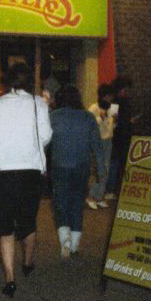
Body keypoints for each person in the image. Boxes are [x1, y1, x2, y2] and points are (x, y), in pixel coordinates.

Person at [0, 63, 52, 298]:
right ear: (30, 81)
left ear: (7, 81)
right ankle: (28, 262)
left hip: (1, 174)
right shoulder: (38, 103)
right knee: (28, 221)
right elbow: (46, 136)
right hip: (29, 173)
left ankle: (10, 278)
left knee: (4, 228)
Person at [49, 85, 106, 260]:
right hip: (82, 166)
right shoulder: (88, 117)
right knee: (76, 203)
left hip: (59, 165)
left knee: (60, 203)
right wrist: (101, 169)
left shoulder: (53, 117)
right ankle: (74, 245)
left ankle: (64, 238)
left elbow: (44, 142)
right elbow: (97, 145)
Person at [105, 76, 138, 200]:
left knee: (118, 164)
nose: (127, 93)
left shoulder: (121, 103)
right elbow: (113, 123)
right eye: (125, 90)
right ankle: (111, 190)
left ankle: (115, 189)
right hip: (117, 137)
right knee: (115, 164)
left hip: (122, 137)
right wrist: (128, 122)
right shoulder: (115, 104)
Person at [86, 83, 116, 209]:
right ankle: (90, 196)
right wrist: (100, 117)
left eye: (111, 97)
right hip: (96, 142)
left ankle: (99, 196)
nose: (110, 100)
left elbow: (110, 127)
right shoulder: (93, 108)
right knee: (96, 169)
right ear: (102, 96)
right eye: (108, 97)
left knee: (106, 168)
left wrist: (114, 121)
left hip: (107, 141)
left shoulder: (111, 108)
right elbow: (90, 126)